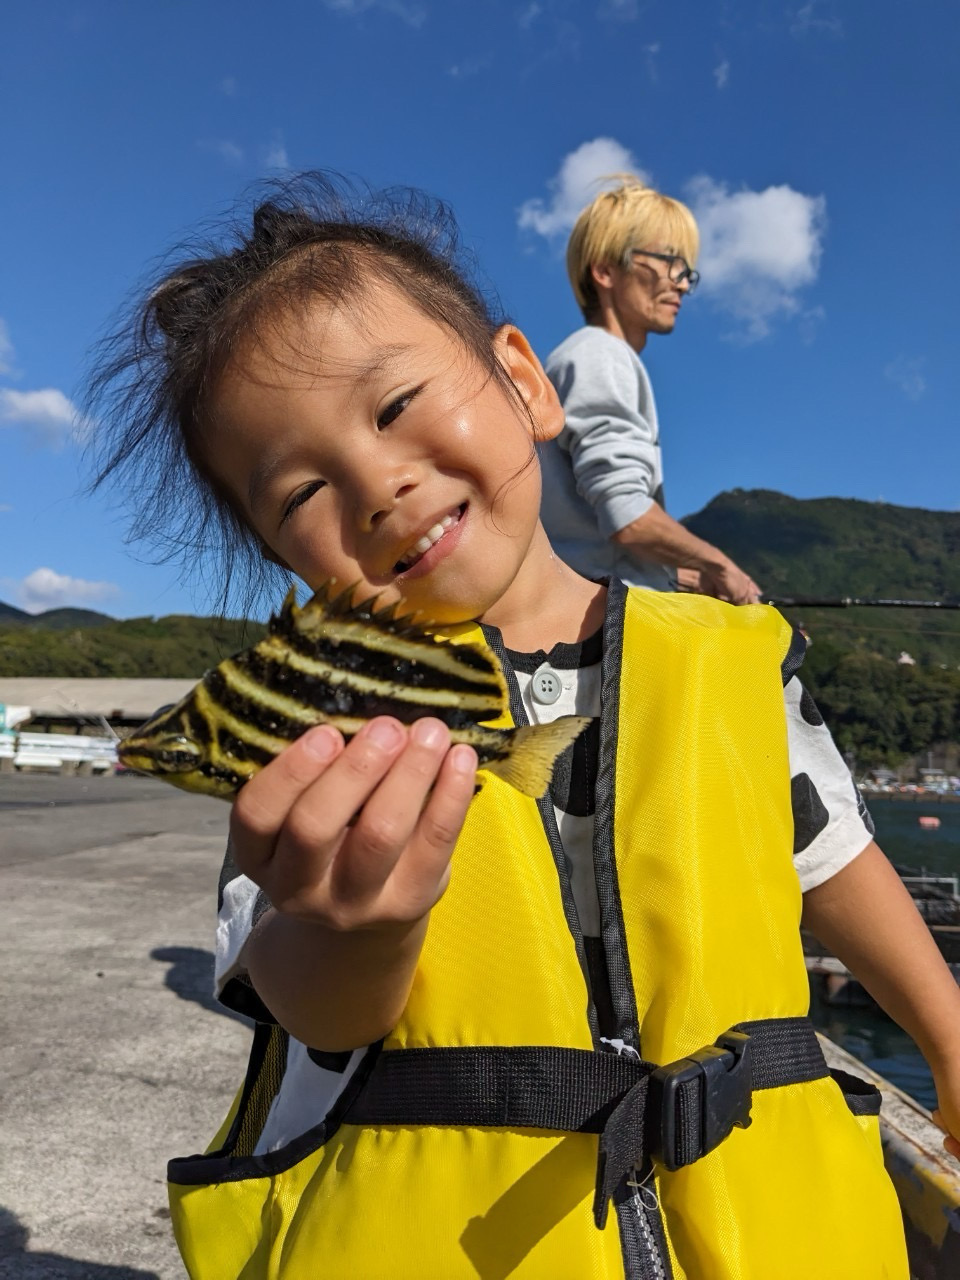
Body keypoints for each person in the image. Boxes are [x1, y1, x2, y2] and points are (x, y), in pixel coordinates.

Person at [89, 173, 960, 1280]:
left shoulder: (726, 658)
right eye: (302, 490)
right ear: (283, 556)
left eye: (397, 406)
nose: (379, 484)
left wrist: (948, 1034)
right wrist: (356, 928)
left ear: (521, 380)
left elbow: (831, 852)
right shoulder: (312, 717)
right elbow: (315, 1005)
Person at [540, 174, 760, 603]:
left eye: (686, 270)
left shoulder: (584, 357)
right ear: (605, 270)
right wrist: (721, 565)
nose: (681, 282)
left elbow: (591, 529)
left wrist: (688, 575)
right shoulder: (600, 355)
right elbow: (628, 518)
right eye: (668, 262)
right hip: (610, 618)